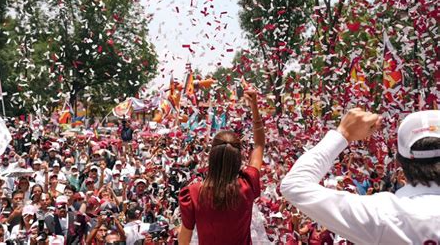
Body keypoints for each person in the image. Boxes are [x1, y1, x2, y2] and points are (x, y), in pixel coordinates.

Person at [280, 108, 440, 244]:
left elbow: (294, 186)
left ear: (399, 163)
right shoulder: (384, 213)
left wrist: (344, 133)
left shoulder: (384, 214)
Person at [178, 89, 265, 245]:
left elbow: (184, 241)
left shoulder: (193, 194)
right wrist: (254, 107)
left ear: (212, 157)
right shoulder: (247, 185)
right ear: (238, 159)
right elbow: (259, 145)